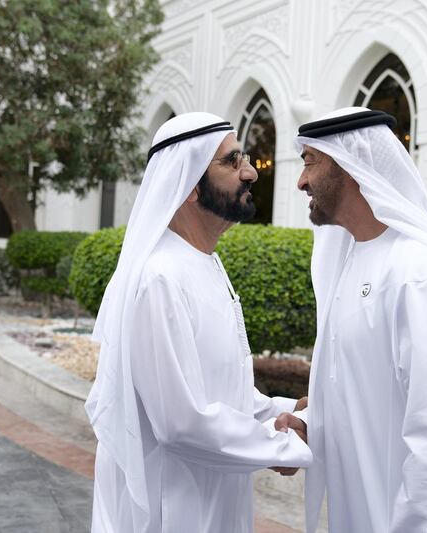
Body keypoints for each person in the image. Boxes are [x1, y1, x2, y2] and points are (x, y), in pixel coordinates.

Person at [276, 107, 427, 533]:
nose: (301, 181)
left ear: (350, 165)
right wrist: (309, 422)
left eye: (310, 162)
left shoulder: (420, 273)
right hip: (359, 512)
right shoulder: (350, 261)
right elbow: (361, 389)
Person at [87, 112, 312, 533]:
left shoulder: (203, 262)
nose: (250, 173)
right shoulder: (160, 277)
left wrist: (285, 410)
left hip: (215, 498)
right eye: (231, 162)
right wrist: (283, 446)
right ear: (189, 185)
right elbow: (181, 421)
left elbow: (219, 388)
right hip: (171, 507)